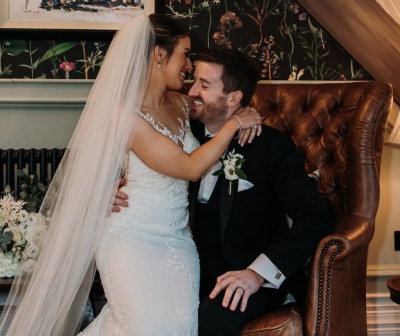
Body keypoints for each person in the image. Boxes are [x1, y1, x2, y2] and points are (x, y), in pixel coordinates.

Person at [0, 15, 262, 336]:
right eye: (184, 54)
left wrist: (249, 113)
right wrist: (101, 190)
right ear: (159, 55)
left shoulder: (181, 102)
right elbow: (189, 168)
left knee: (177, 327)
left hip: (178, 243)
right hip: (131, 238)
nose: (188, 66)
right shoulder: (124, 115)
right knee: (142, 327)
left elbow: (224, 107)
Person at [115, 47, 334, 335]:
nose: (191, 91)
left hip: (247, 277)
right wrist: (110, 187)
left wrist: (258, 274)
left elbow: (316, 217)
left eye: (204, 85)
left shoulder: (271, 147)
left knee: (206, 323)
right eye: (193, 80)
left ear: (234, 98)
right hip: (184, 269)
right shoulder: (181, 133)